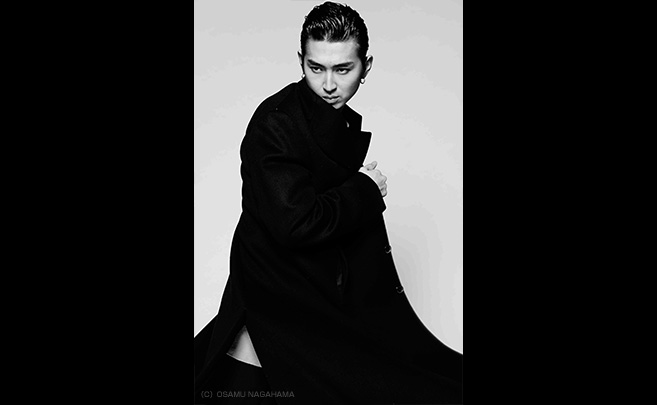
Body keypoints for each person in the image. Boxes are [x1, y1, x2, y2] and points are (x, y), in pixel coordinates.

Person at [194, 2, 462, 403]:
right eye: (316, 68)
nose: (329, 85)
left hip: (311, 300)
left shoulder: (333, 121)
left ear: (366, 67)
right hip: (277, 297)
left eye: (343, 69)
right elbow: (296, 223)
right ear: (300, 61)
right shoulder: (277, 123)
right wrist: (365, 189)